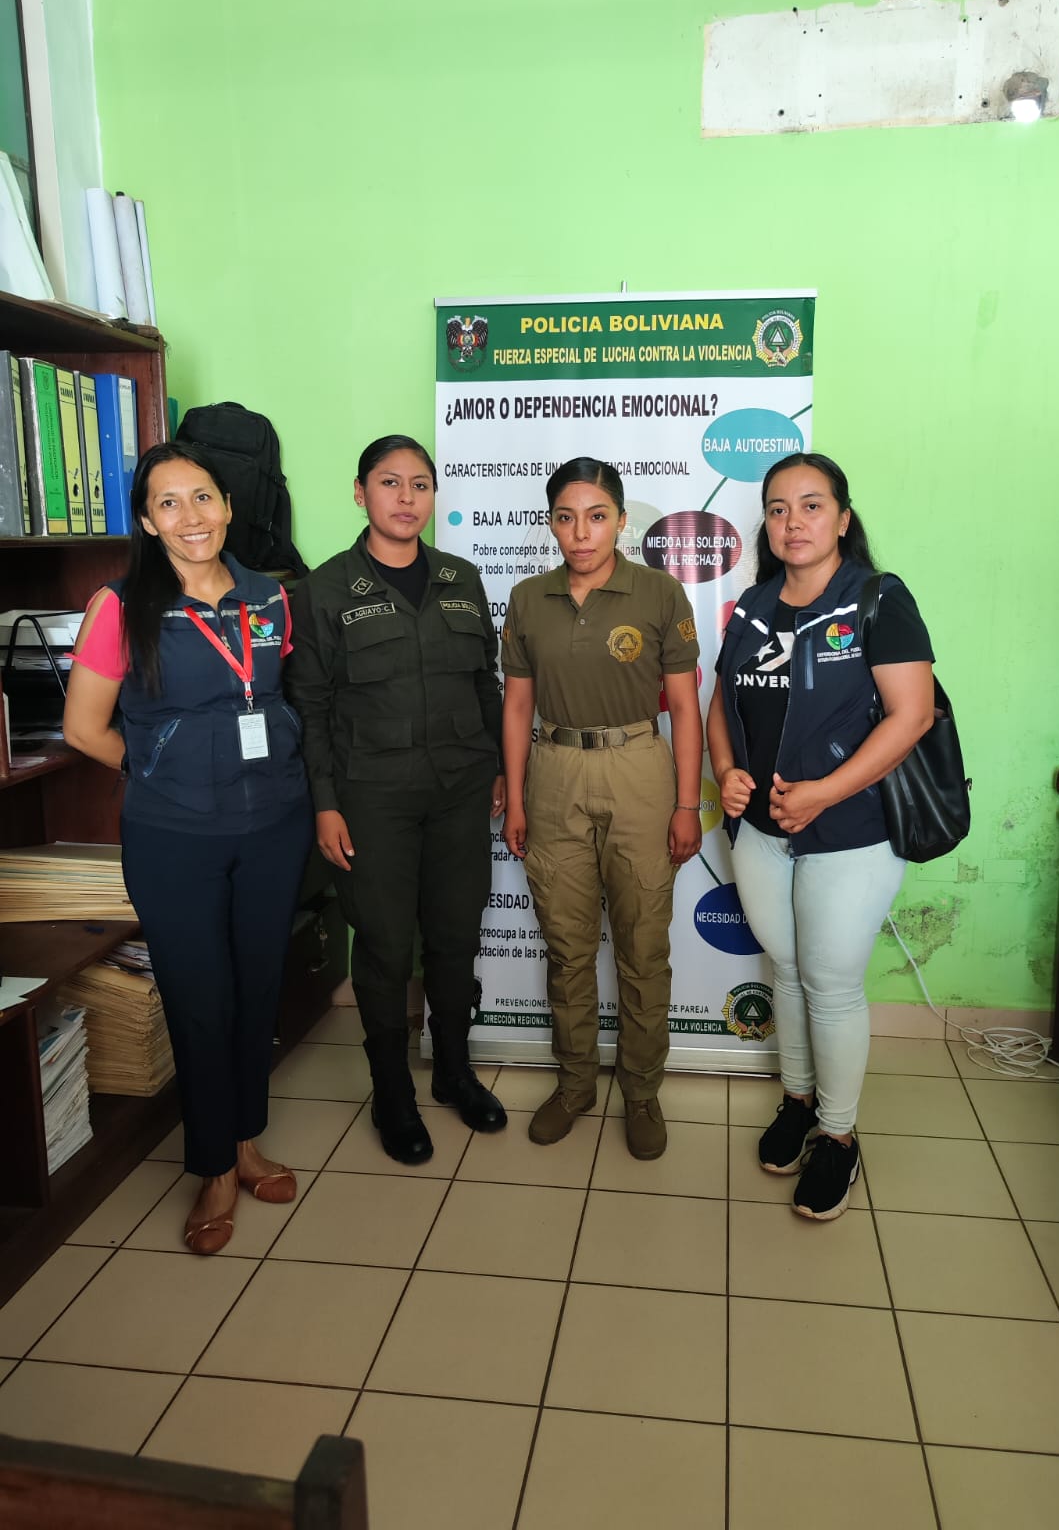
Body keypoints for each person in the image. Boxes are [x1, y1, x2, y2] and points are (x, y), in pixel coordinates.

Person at [63, 440, 313, 1255]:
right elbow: (82, 728)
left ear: (229, 506)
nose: (191, 516)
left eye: (202, 497)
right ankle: (210, 1165)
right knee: (201, 1001)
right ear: (147, 520)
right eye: (169, 503)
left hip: (274, 826)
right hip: (175, 838)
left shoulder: (269, 598)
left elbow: (278, 696)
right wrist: (161, 769)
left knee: (255, 988)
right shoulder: (121, 605)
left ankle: (246, 1144)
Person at [706, 452, 935, 1220]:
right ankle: (799, 1102)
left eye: (811, 506)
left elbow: (913, 714)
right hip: (764, 832)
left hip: (853, 831)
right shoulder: (752, 606)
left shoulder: (876, 598)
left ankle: (839, 1138)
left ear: (841, 517)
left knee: (830, 982)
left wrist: (824, 794)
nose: (793, 522)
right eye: (778, 508)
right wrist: (726, 771)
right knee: (788, 966)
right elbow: (719, 704)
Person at [285, 435, 506, 1165]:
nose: (406, 497)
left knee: (454, 937)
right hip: (370, 797)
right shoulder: (321, 590)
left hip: (460, 791)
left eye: (419, 483)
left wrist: (503, 767)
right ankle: (392, 1093)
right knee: (382, 947)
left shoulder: (461, 577)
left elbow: (486, 687)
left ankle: (452, 1072)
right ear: (360, 493)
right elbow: (309, 707)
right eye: (389, 482)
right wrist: (324, 802)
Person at [502, 459, 703, 1160]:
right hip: (554, 772)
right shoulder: (529, 599)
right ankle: (576, 1082)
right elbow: (518, 703)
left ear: (620, 519)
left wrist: (685, 803)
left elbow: (683, 706)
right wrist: (517, 795)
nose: (580, 532)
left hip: (639, 771)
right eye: (565, 516)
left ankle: (642, 1090)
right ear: (551, 522)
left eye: (595, 516)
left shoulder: (658, 592)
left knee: (644, 947)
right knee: (568, 945)